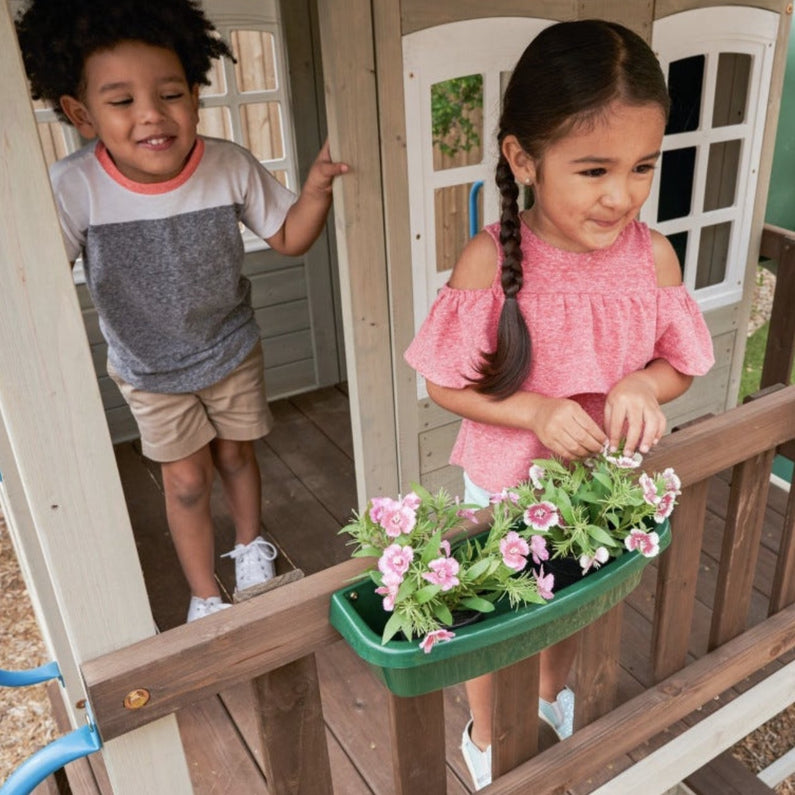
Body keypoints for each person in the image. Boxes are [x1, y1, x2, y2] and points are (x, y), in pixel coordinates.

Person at [404, 19, 714, 790]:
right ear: (522, 158)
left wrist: (642, 383)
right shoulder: (489, 259)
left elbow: (681, 361)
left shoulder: (652, 255)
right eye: (594, 169)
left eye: (643, 165)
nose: (622, 195)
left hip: (598, 487)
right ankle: (488, 732)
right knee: (498, 616)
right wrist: (535, 411)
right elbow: (443, 381)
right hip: (505, 483)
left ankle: (550, 701)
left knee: (570, 603)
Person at [16, 0, 348, 623]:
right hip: (148, 368)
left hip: (229, 347)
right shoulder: (73, 188)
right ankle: (204, 596)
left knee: (236, 456)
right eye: (121, 102)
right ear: (80, 113)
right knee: (186, 482)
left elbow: (290, 237)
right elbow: (40, 284)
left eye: (170, 92)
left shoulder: (227, 165)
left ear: (194, 94)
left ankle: (250, 548)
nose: (150, 115)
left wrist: (316, 189)